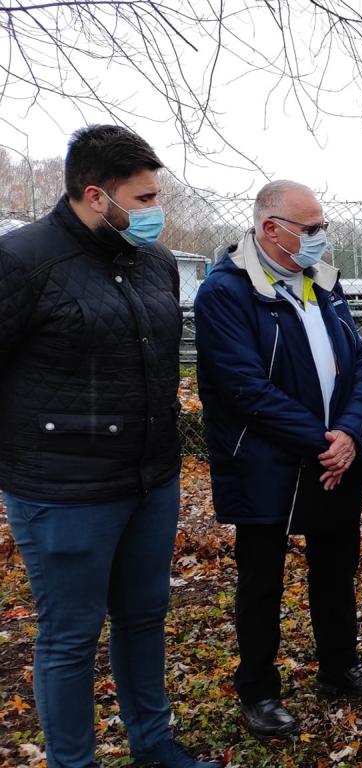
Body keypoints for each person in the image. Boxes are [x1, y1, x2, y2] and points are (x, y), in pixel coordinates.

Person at [0, 125, 219, 768]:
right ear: (96, 196)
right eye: (145, 198)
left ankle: (155, 747)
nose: (157, 211)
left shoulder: (151, 262)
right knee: (69, 638)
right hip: (63, 491)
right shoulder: (22, 262)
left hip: (151, 481)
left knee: (144, 618)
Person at [194, 180, 362, 738]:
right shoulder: (226, 292)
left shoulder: (324, 285)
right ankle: (258, 688)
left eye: (322, 227)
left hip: (333, 454)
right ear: (270, 229)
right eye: (310, 229)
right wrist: (322, 440)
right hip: (264, 459)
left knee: (336, 569)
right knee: (262, 580)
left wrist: (350, 434)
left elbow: (357, 365)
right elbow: (244, 388)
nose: (319, 239)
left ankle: (339, 666)